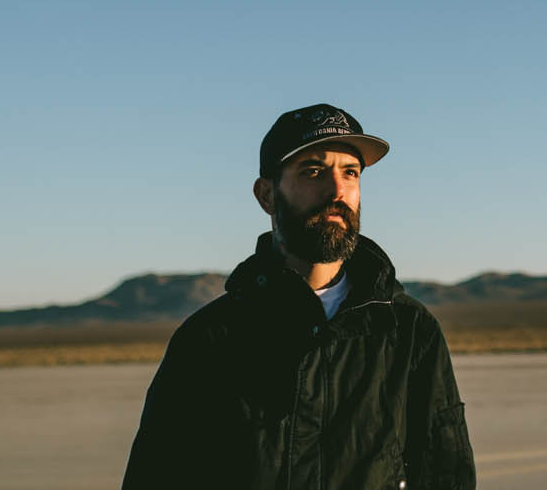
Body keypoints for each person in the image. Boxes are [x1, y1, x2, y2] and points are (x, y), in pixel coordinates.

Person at [122, 104, 477, 489]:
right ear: (267, 196)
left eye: (351, 173)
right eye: (313, 171)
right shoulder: (211, 338)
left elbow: (447, 475)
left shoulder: (407, 330)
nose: (337, 189)